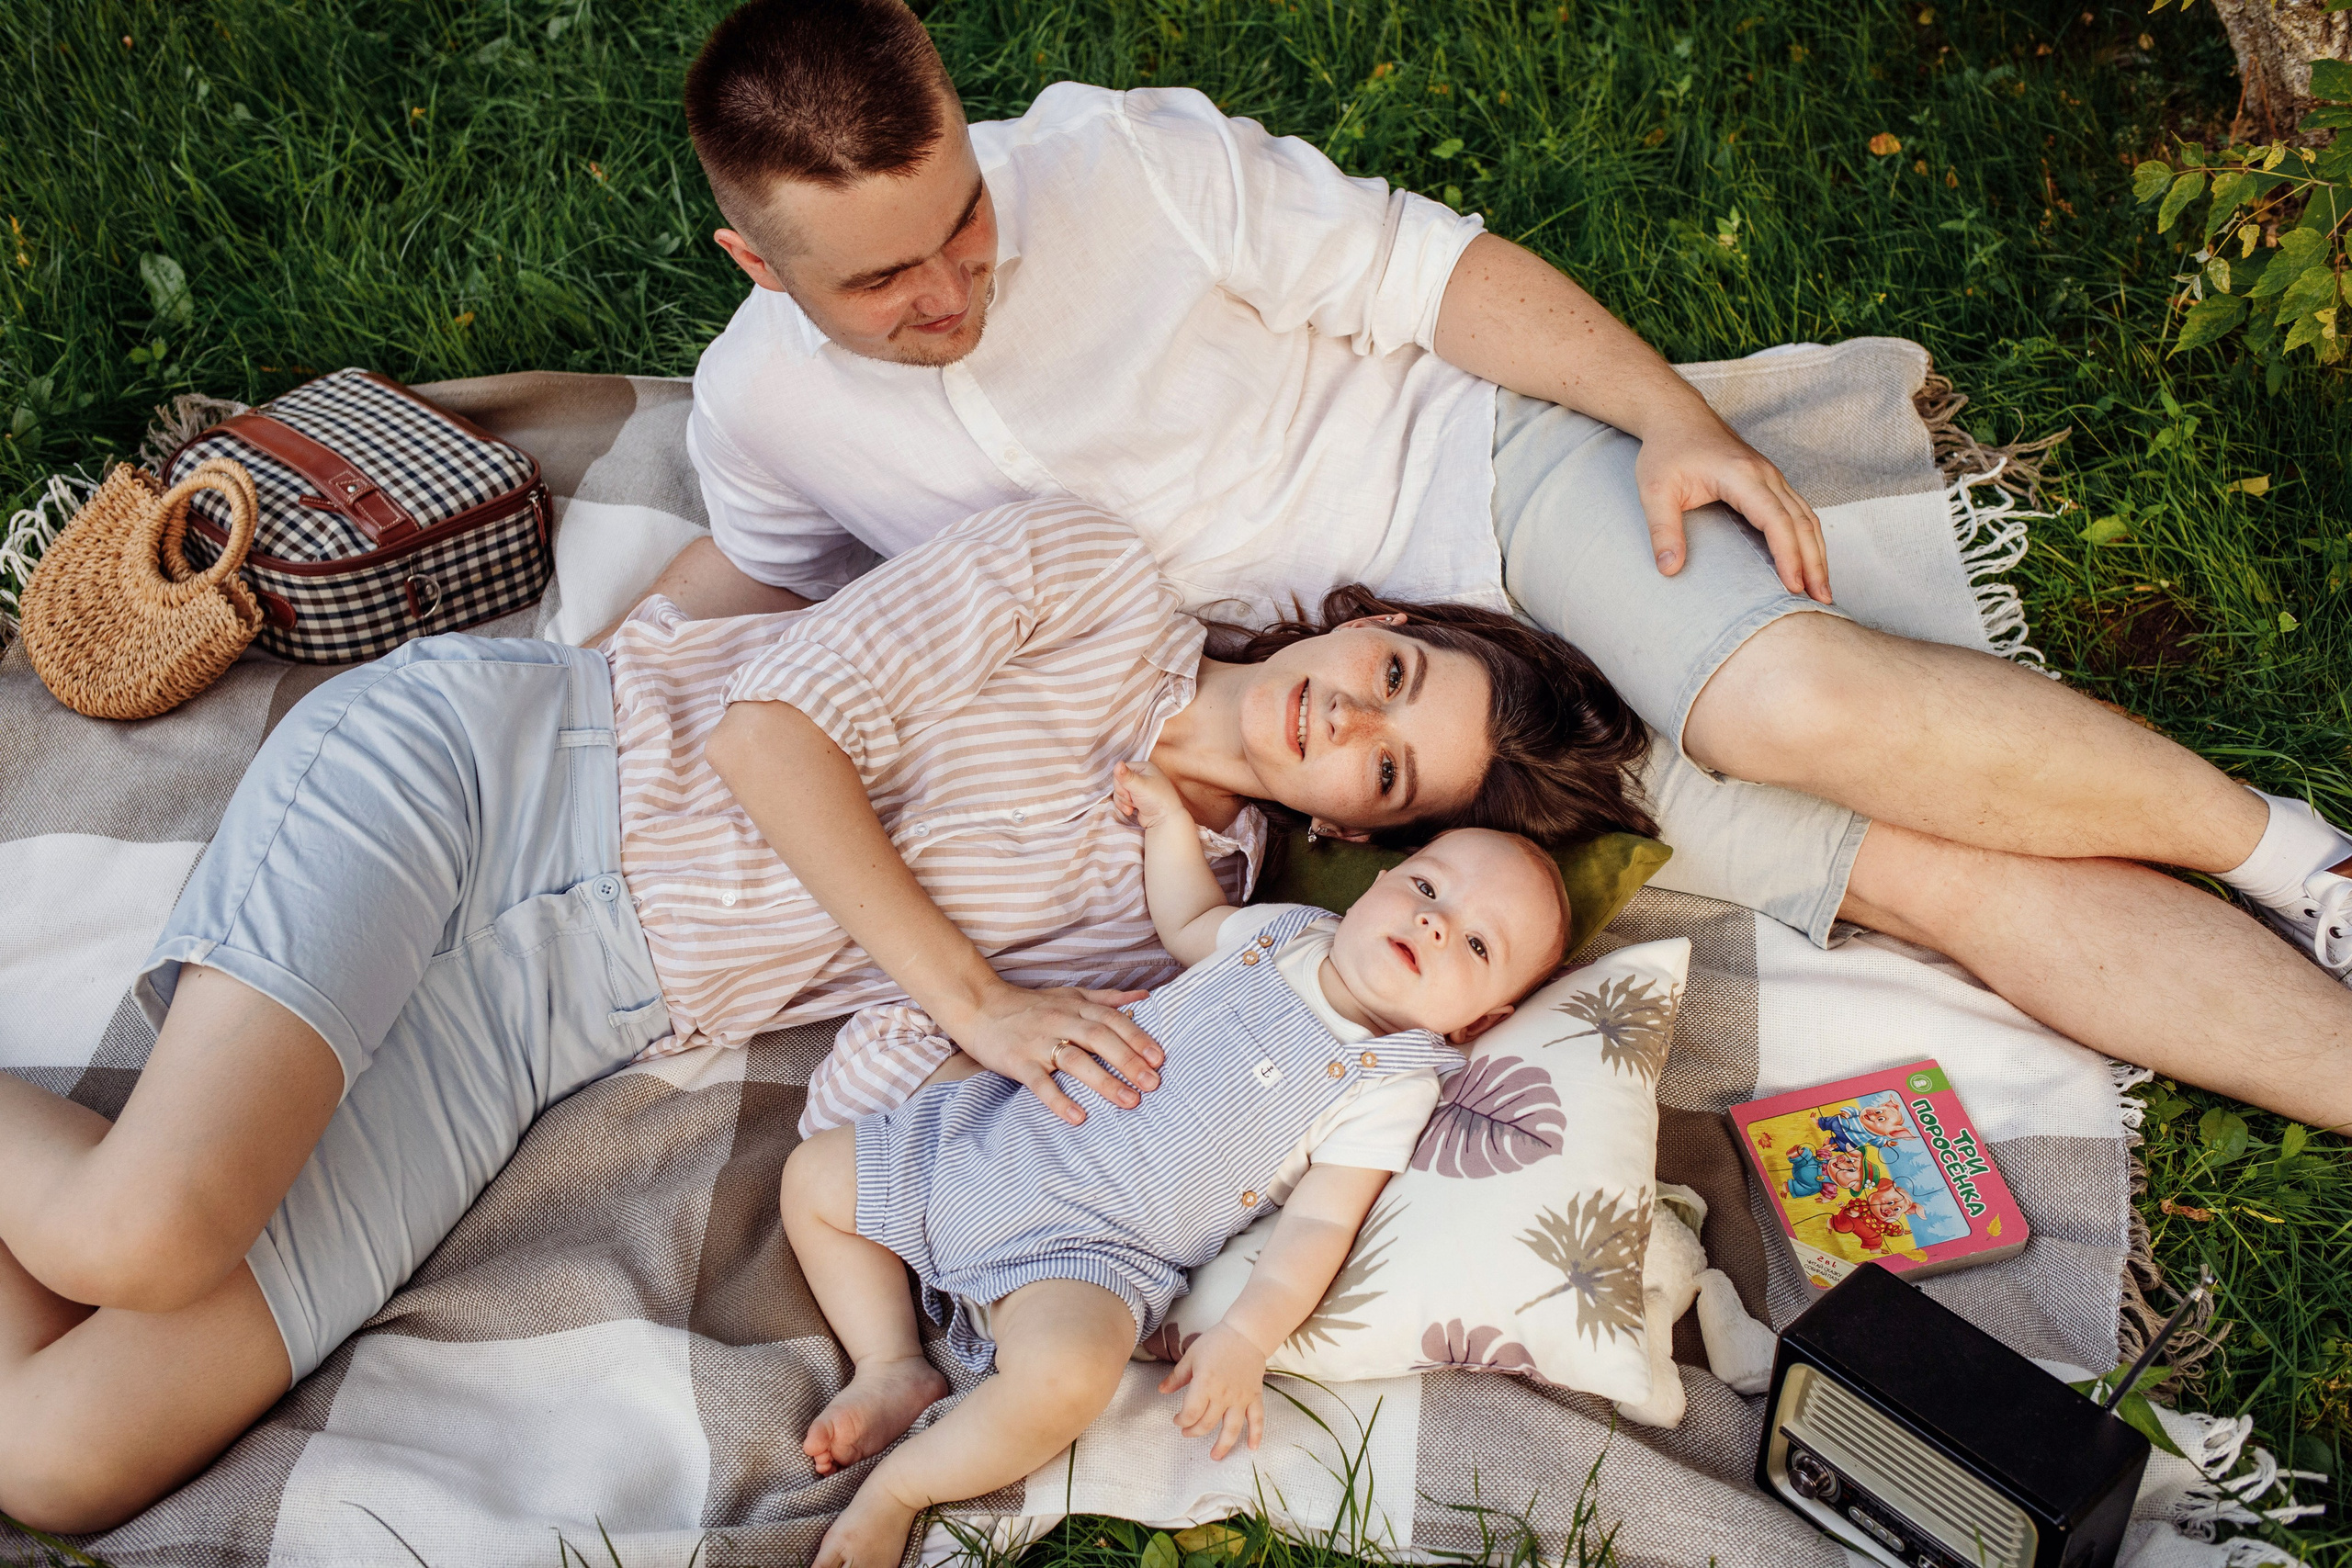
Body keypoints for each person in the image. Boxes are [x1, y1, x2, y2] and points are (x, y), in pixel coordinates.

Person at [644, 0, 2352, 1133]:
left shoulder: (1123, 163)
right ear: (756, 259)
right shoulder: (764, 412)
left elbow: (1432, 272)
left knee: (1788, 698)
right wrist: (592, 684)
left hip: (1471, 503)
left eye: (966, 226)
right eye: (885, 285)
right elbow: (762, 589)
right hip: (1358, 739)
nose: (952, 290)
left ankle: (2307, 860)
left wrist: (1667, 416)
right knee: (1917, 880)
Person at [0, 498, 1647, 1533]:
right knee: (139, 1233)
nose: (1353, 712)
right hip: (499, 782)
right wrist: (982, 998)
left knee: (59, 1458)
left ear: (1365, 838)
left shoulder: (1186, 949)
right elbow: (769, 735)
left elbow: (906, 1092)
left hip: (549, 1015)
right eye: (1402, 673)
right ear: (1382, 618)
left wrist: (910, 1340)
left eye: (1385, 766)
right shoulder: (1088, 574)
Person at [783, 810, 1573, 1568]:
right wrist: (1167, 824)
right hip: (990, 1145)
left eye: (1475, 941)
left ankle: (900, 1486)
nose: (1435, 922)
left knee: (1067, 1378)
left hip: (1086, 1256)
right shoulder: (1288, 929)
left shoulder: (1391, 1081)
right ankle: (887, 1357)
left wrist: (1246, 1337)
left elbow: (1321, 1223)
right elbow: (1191, 917)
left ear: (1477, 1022)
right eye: (1429, 889)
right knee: (814, 1174)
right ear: (1379, 881)